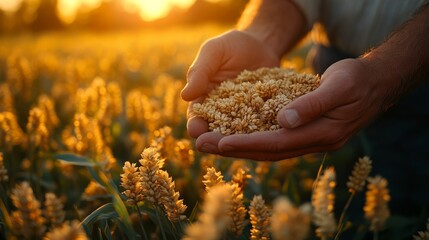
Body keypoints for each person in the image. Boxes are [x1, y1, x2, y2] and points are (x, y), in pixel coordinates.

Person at [181, 0, 429, 232]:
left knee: (403, 217)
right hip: (331, 79)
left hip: (421, 85)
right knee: (340, 207)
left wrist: (384, 71)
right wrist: (262, 37)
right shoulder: (290, 94)